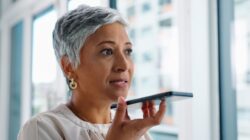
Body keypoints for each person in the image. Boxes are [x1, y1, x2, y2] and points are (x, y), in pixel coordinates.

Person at [18, 4, 166, 140]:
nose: (124, 65)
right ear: (69, 66)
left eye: (128, 51)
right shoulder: (42, 129)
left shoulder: (138, 132)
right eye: (107, 51)